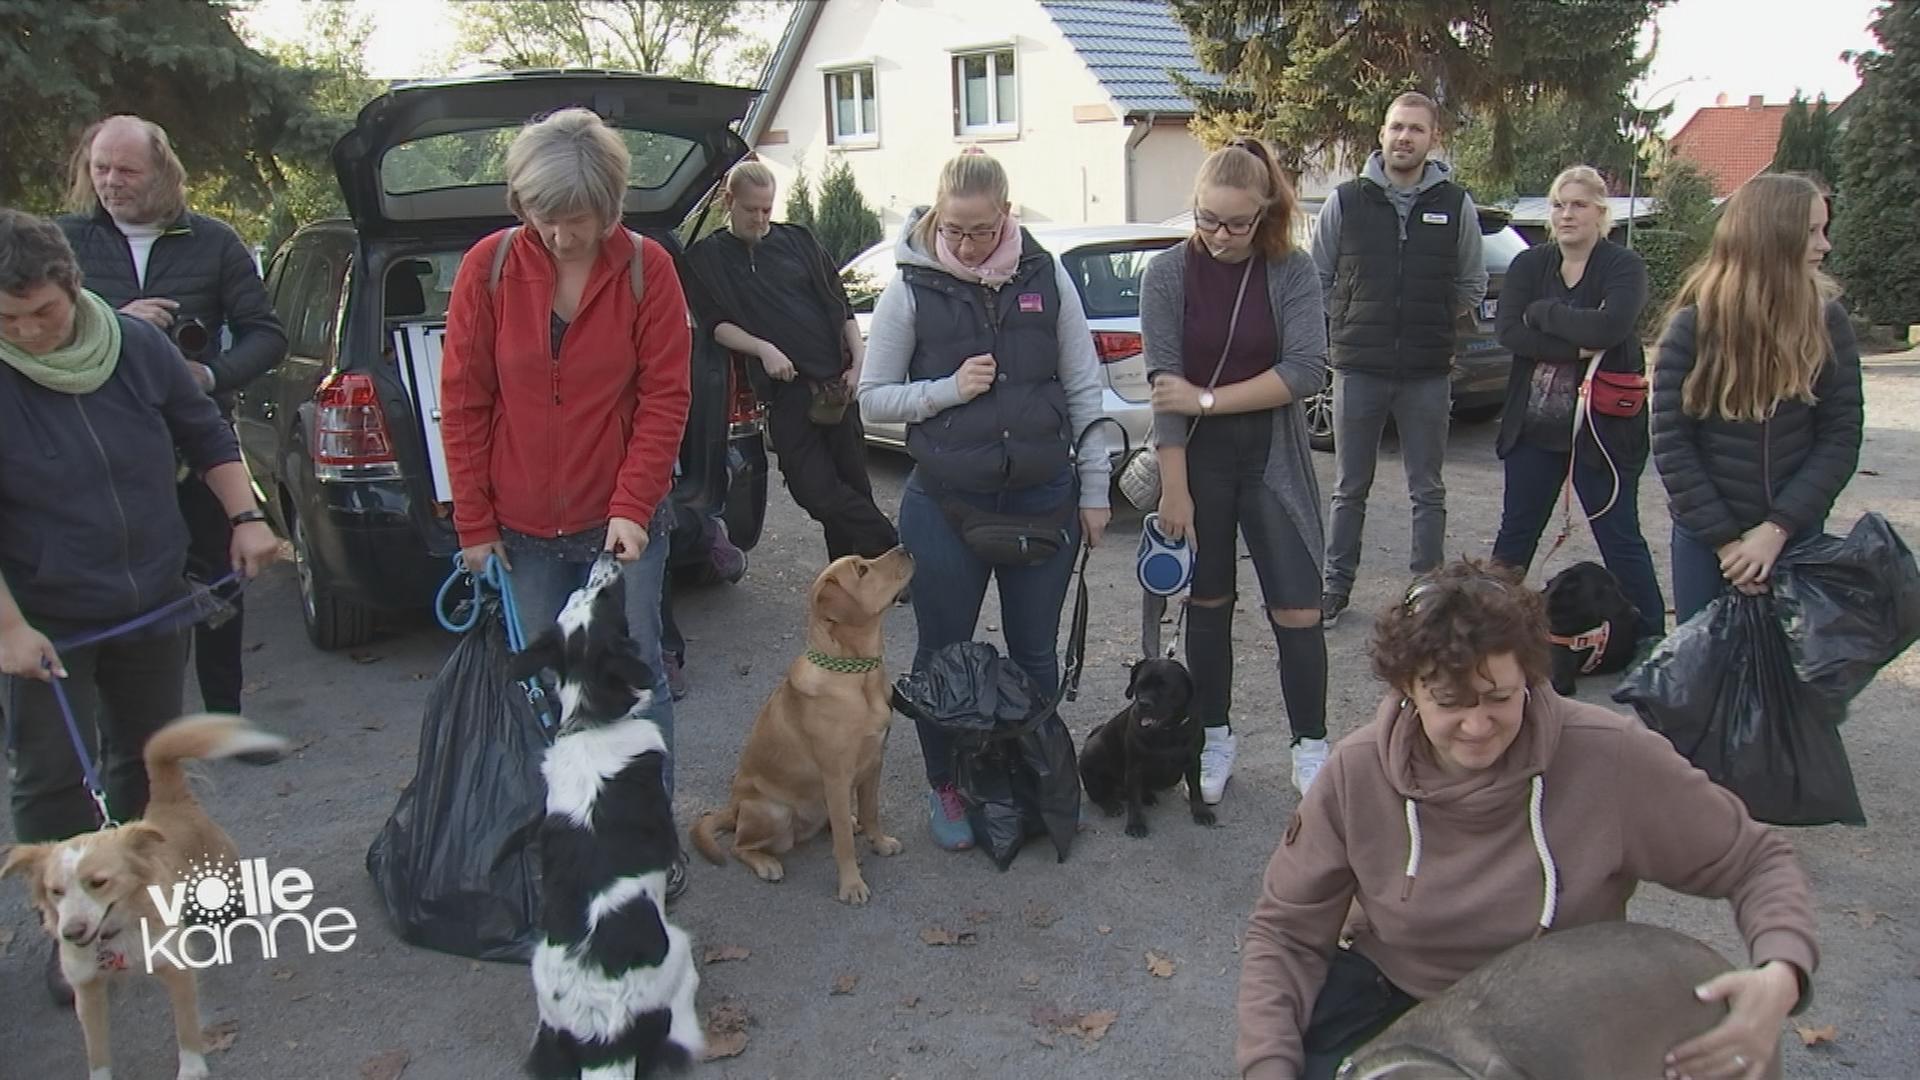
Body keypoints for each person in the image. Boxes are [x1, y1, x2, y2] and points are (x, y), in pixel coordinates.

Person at [1236, 560, 1818, 1080]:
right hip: (1393, 995)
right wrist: (1267, 1065)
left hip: (1555, 1018)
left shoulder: (1610, 757)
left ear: (1531, 677)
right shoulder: (1356, 773)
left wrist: (1780, 972)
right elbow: (1287, 932)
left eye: (1499, 697)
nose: (1477, 725)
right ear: (1407, 689)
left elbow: (1755, 861)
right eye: (1450, 701)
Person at [0, 209, 281, 1001]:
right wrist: (11, 628)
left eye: (43, 313)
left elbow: (203, 430)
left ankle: (144, 899)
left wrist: (247, 518)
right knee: (52, 778)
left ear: (73, 288)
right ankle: (72, 938)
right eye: (8, 320)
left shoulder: (135, 346)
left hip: (150, 599)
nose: (28, 331)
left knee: (145, 761)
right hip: (41, 618)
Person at [437, 108, 692, 896]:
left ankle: (649, 837)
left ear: (610, 208)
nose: (559, 237)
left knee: (633, 674)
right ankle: (580, 834)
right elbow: (465, 398)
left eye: (576, 222)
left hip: (621, 523)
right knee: (553, 687)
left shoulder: (649, 270)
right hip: (521, 528)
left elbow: (664, 399)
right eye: (544, 219)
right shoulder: (487, 268)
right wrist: (473, 521)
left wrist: (632, 504)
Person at [858, 151, 1111, 851]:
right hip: (946, 505)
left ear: (1007, 212)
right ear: (937, 214)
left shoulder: (1046, 276)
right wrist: (947, 388)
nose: (967, 246)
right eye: (955, 230)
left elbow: (1085, 390)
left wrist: (1094, 491)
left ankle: (1032, 776)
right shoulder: (910, 288)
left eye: (981, 230)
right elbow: (871, 398)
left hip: (1041, 498)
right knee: (943, 654)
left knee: (1034, 656)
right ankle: (947, 784)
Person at [57, 115, 288, 716]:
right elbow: (36, 334)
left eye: (126, 170)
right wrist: (116, 320)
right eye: (100, 168)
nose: (110, 182)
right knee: (117, 588)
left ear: (162, 172)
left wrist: (208, 375)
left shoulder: (215, 242)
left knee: (220, 580)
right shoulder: (63, 243)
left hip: (199, 439)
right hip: (99, 444)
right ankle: (133, 728)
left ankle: (223, 717)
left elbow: (266, 336)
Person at [1140, 138, 1332, 802]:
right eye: (1206, 219)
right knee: (1207, 603)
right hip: (1200, 462)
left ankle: (1311, 745)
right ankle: (1215, 735)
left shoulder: (1292, 270)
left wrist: (1210, 398)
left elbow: (1307, 370)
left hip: (1273, 457)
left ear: (1266, 214)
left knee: (1300, 608)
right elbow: (1165, 387)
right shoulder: (1166, 274)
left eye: (1236, 223)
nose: (1219, 236)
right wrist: (1175, 487)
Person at [1652, 173, 1862, 625]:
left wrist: (1777, 529)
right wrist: (1729, 545)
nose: (1824, 245)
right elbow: (1672, 443)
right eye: (1810, 231)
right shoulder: (1693, 327)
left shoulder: (1828, 323)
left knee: (1796, 686)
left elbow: (1840, 437)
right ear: (1769, 235)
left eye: (1824, 230)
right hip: (1707, 542)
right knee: (1704, 685)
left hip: (1795, 538)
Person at [1313, 92, 1487, 628]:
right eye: (1395, 127)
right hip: (1358, 366)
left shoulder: (1456, 204)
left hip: (1427, 371)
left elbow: (1472, 285)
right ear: (1381, 134)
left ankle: (1428, 592)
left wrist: (1429, 321)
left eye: (1415, 128)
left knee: (1427, 489)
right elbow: (1317, 278)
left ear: (1433, 138)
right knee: (1349, 486)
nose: (1403, 137)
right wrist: (1342, 328)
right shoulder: (1346, 200)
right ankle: (1335, 586)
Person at [686, 161, 898, 563]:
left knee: (853, 487)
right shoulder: (707, 258)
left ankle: (856, 578)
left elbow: (839, 304)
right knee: (814, 491)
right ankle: (895, 549)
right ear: (729, 202)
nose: (761, 218)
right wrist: (763, 349)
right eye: (751, 209)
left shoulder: (797, 240)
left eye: (767, 209)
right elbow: (715, 325)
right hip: (786, 397)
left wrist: (859, 361)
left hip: (838, 385)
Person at [1490, 165, 1666, 643]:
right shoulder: (1530, 265)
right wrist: (1574, 344)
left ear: (1600, 213)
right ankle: (1488, 632)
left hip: (1605, 427)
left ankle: (1652, 638)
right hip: (1534, 425)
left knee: (1619, 535)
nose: (1567, 215)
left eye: (1579, 205)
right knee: (1515, 536)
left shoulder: (1622, 266)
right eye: (1559, 205)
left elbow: (1611, 330)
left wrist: (1544, 314)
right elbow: (1510, 332)